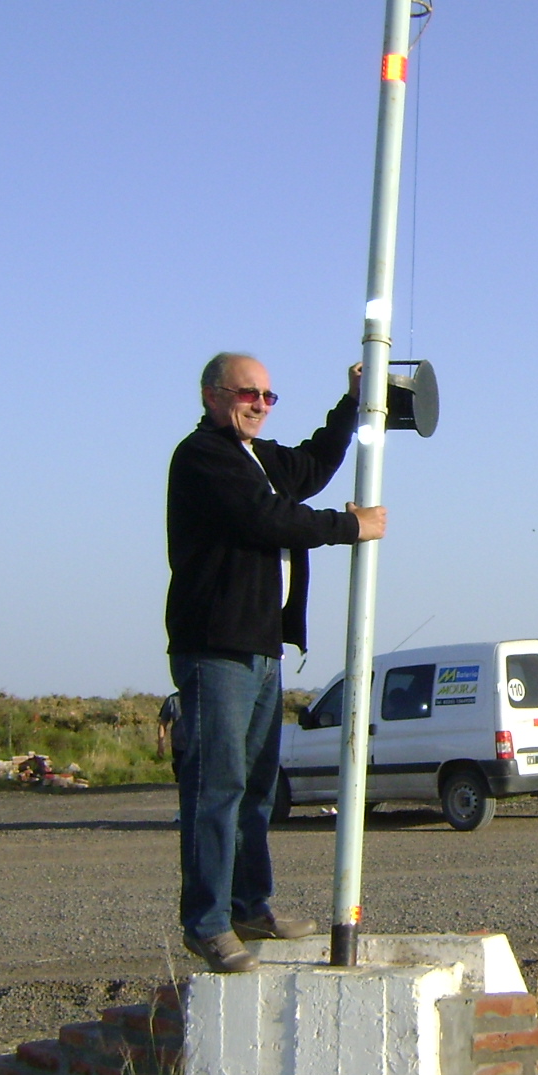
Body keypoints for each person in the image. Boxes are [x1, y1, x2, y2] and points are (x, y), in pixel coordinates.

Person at [166, 353, 387, 973]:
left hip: (262, 648)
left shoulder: (260, 459)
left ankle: (249, 905)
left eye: (268, 396)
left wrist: (351, 403)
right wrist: (351, 526)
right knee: (217, 786)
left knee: (257, 786)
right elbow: (266, 519)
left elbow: (313, 465)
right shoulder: (203, 457)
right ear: (213, 395)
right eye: (248, 394)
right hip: (216, 649)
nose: (260, 404)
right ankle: (206, 924)